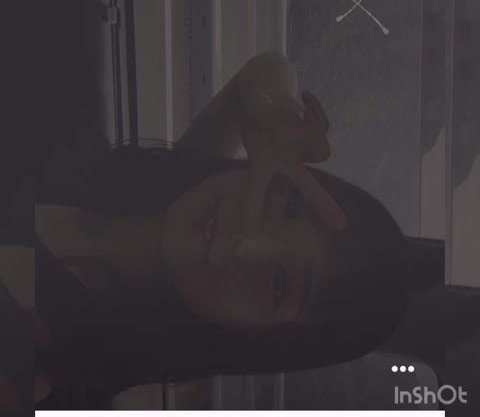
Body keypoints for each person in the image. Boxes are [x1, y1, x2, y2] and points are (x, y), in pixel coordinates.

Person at [3, 52, 409, 409]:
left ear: (260, 337)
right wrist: (269, 107)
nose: (246, 245)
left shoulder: (48, 360)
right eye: (288, 208)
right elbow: (266, 68)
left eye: (281, 285)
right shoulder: (120, 173)